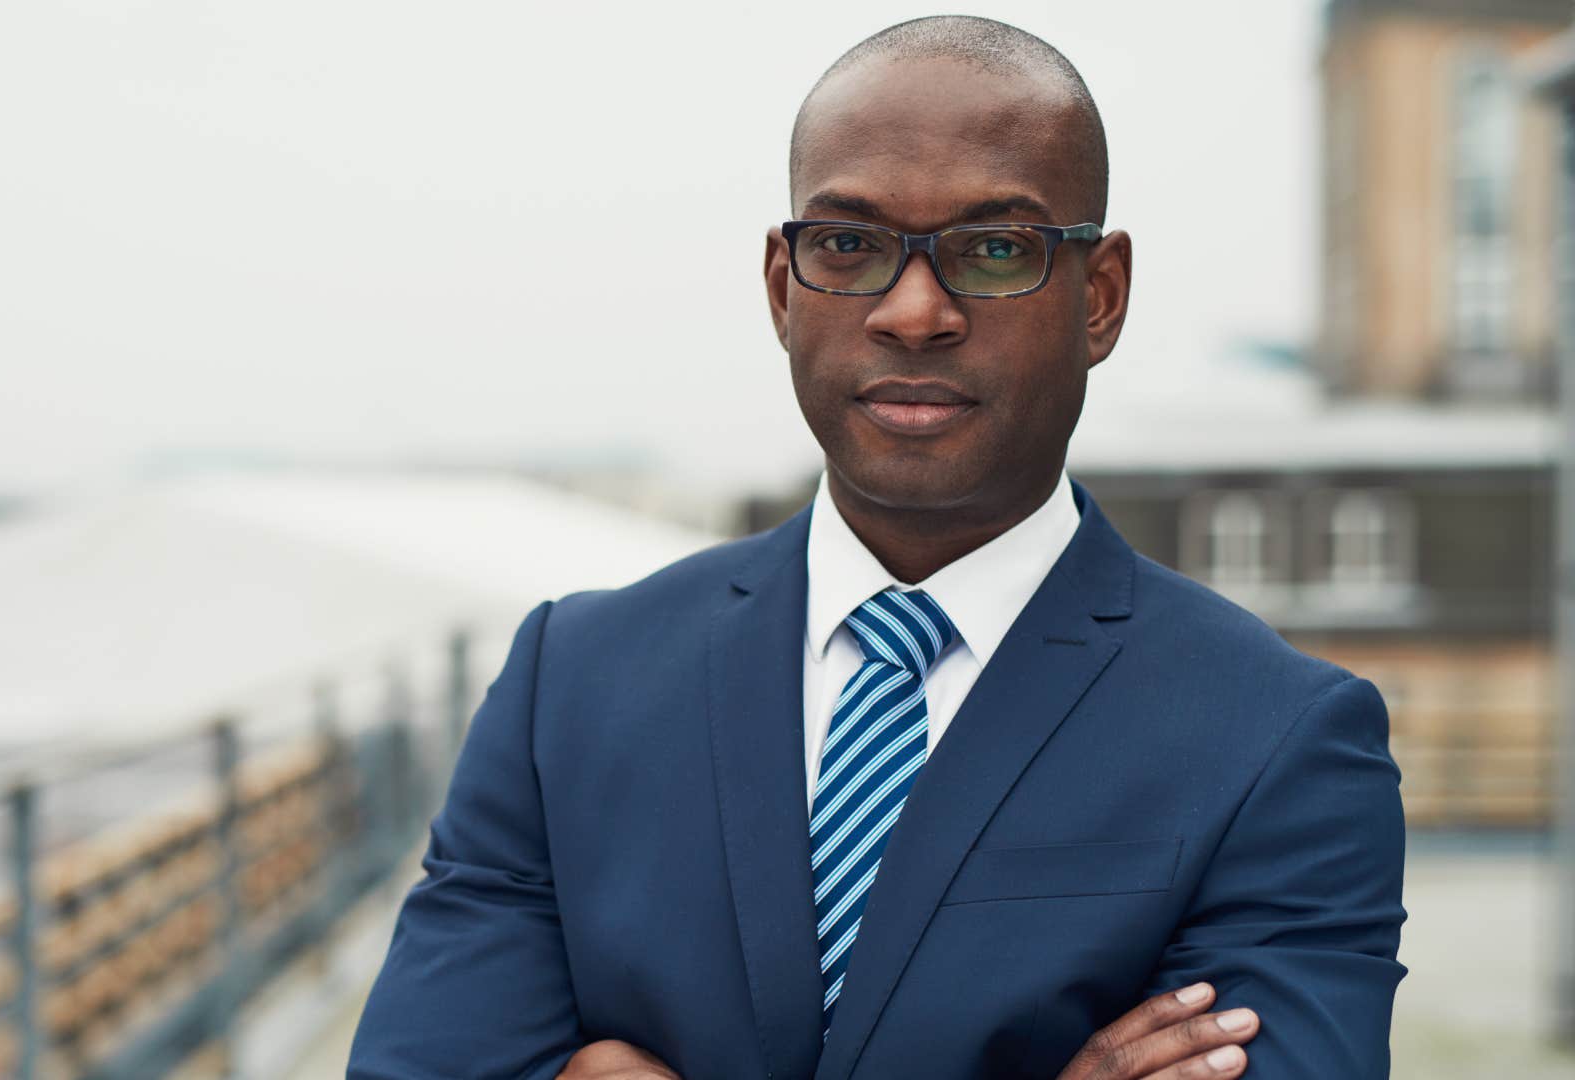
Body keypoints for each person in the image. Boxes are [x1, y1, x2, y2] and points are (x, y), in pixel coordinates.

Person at [347, 15, 1406, 1080]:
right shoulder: (569, 685)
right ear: (781, 286)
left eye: (997, 250)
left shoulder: (1279, 741)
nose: (913, 311)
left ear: (1101, 297)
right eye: (848, 246)